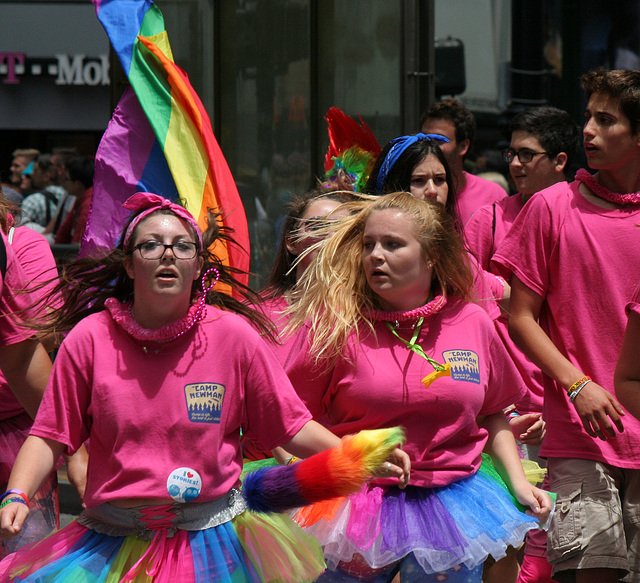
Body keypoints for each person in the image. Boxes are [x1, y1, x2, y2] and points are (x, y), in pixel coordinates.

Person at [0, 192, 408, 582]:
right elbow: (49, 436)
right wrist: (16, 494)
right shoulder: (89, 339)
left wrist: (360, 453)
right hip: (112, 539)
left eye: (182, 246)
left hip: (213, 543)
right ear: (128, 264)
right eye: (151, 245)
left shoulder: (234, 336)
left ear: (197, 267)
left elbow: (292, 428)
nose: (167, 254)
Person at [282, 192, 552, 583]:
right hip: (357, 507)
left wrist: (519, 483)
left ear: (431, 257)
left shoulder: (472, 321)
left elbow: (491, 413)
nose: (376, 255)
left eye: (392, 244)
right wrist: (354, 453)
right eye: (369, 244)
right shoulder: (332, 326)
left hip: (452, 505)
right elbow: (290, 420)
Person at [492, 69, 640, 583]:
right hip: (578, 438)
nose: (589, 131)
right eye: (588, 118)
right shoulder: (551, 207)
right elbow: (521, 318)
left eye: (607, 120)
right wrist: (577, 385)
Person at [465, 106, 581, 583]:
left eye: (527, 155)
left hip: (572, 400)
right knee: (513, 540)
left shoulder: (581, 217)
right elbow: (465, 309)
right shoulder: (486, 222)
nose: (514, 163)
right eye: (511, 153)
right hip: (506, 406)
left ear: (560, 160)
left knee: (567, 542)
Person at [364, 133, 507, 318]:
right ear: (391, 188)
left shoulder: (462, 262)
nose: (432, 191)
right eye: (418, 181)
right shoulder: (351, 257)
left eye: (440, 180)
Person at [420, 98, 508, 227]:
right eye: (423, 138)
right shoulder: (409, 192)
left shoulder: (493, 195)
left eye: (439, 140)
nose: (429, 146)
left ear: (463, 146)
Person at [19, 154, 68, 232]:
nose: (32, 174)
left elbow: (19, 229)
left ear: (46, 176)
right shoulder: (69, 196)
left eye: (35, 171)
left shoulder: (33, 200)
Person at [54, 155, 94, 245]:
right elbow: (64, 231)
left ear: (78, 184)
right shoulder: (80, 198)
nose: (64, 182)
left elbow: (78, 242)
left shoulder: (88, 205)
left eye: (67, 179)